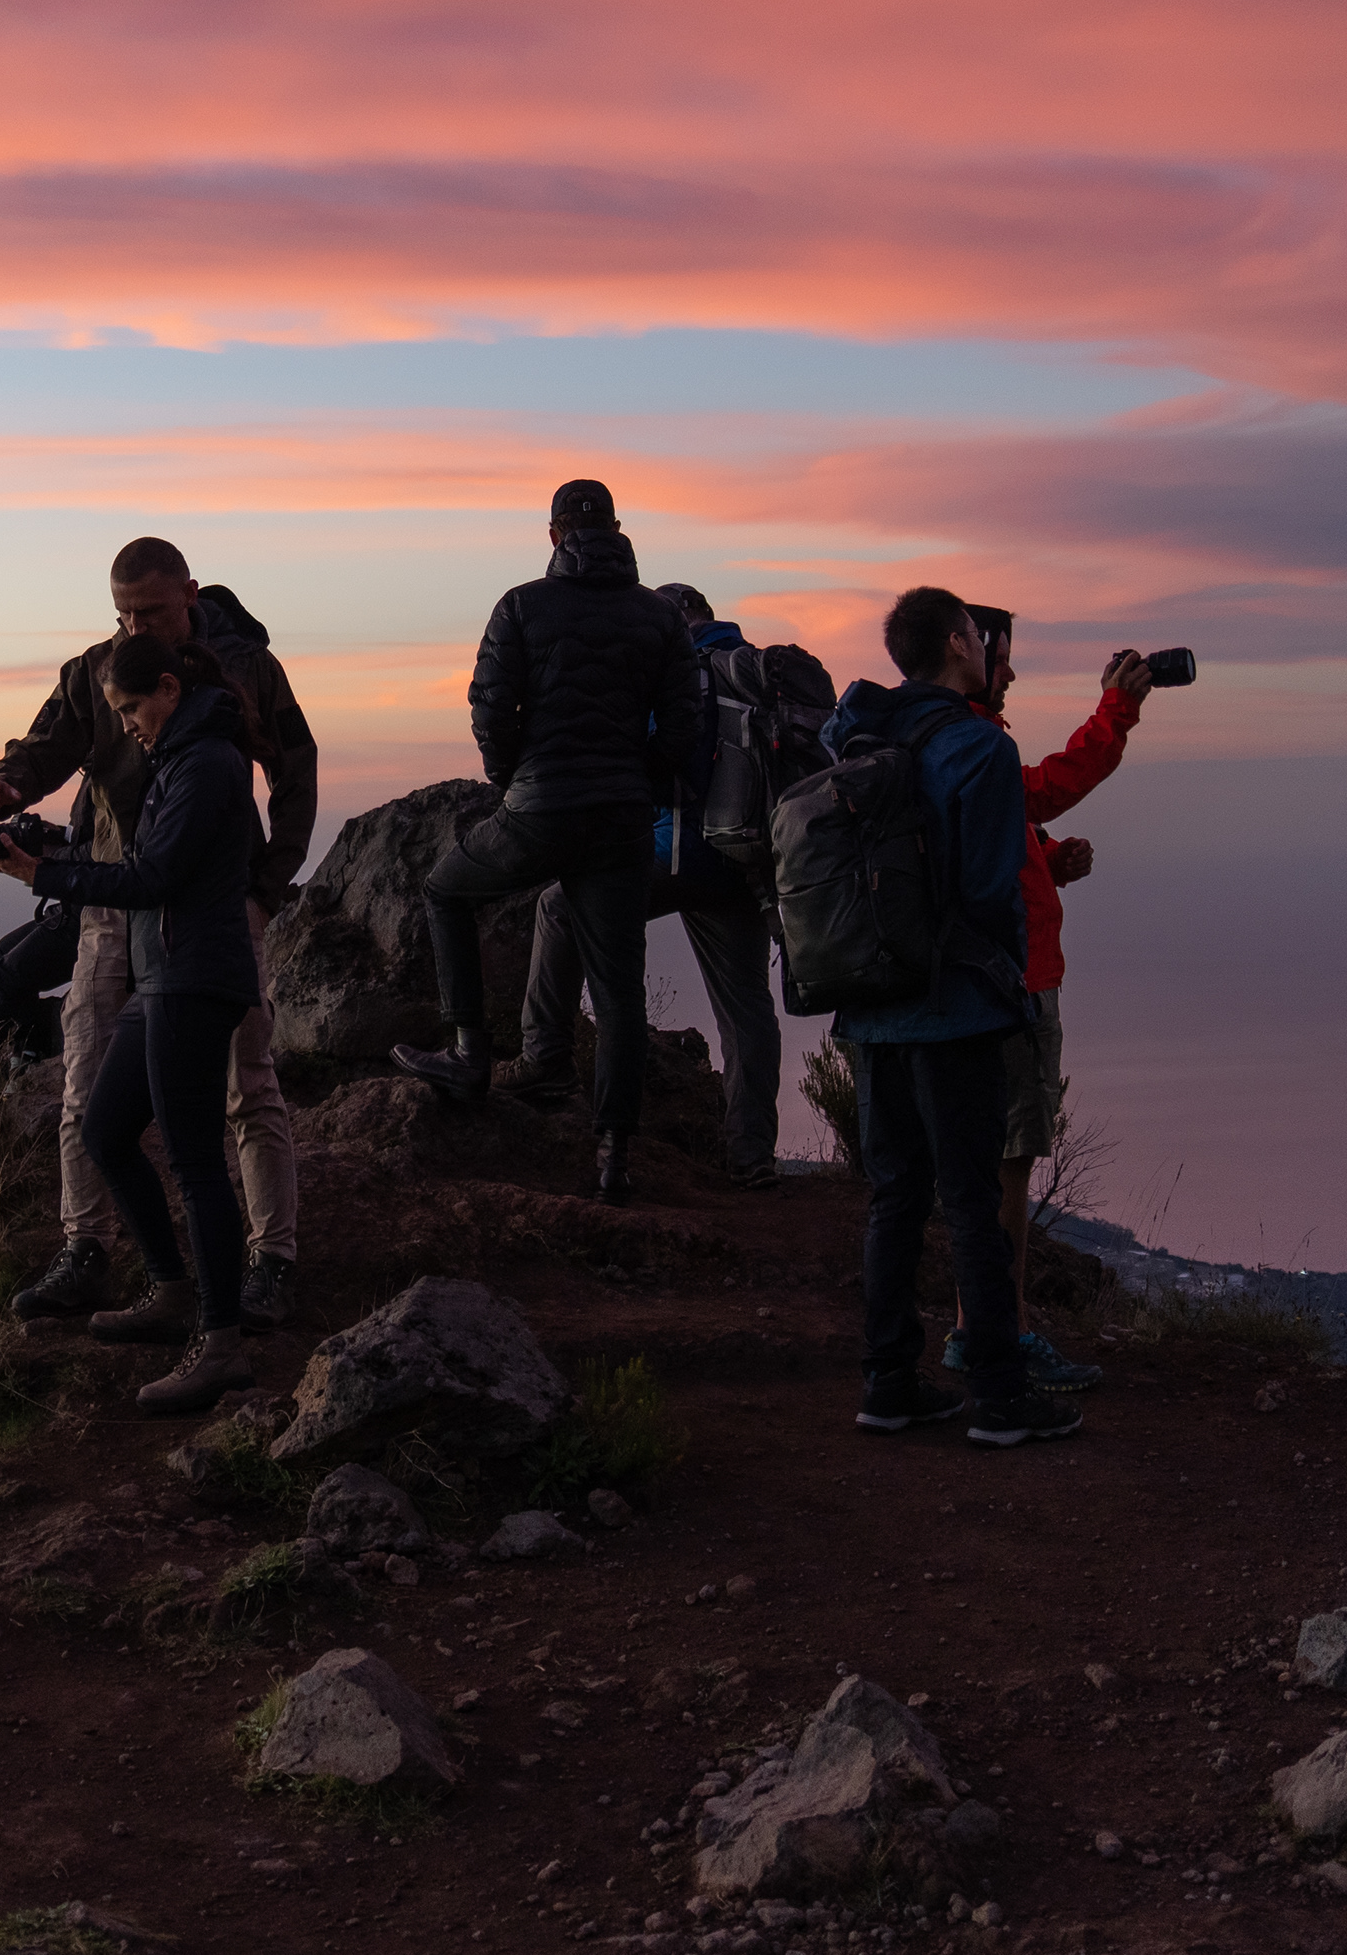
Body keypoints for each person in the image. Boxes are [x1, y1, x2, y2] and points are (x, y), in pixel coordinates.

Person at [0, 539, 318, 1329]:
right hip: (109, 906)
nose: (135, 627)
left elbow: (295, 774)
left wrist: (266, 889)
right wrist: (8, 783)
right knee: (86, 1079)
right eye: (123, 614)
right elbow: (47, 747)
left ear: (189, 595)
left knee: (247, 1082)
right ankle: (86, 1249)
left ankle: (272, 1259)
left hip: (211, 909)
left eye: (152, 612)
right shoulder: (96, 671)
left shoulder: (247, 669)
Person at [392, 478, 700, 1208]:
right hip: (621, 819)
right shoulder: (661, 616)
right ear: (617, 529)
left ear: (555, 534)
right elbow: (685, 726)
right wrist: (639, 785)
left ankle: (469, 1055)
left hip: (539, 807)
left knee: (444, 892)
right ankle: (613, 1154)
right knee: (619, 991)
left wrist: (513, 779)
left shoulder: (522, 605)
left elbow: (490, 705)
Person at [0, 633, 266, 1414]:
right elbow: (138, 863)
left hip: (192, 978)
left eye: (132, 709)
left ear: (170, 689)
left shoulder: (206, 761)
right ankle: (172, 1291)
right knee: (106, 1130)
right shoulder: (177, 757)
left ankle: (221, 1345)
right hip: (162, 975)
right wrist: (49, 850)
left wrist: (44, 875)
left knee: (196, 1162)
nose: (129, 725)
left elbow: (154, 876)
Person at [825, 587, 1079, 1447]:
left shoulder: (857, 734)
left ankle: (888, 1383)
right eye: (976, 632)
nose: (985, 644)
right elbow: (989, 888)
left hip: (870, 1004)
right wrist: (1007, 983)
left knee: (895, 1195)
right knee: (971, 1198)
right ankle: (1000, 1395)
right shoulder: (979, 746)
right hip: (953, 1009)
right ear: (958, 643)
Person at [946, 606, 1165, 1395]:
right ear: (964, 650)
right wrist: (1116, 710)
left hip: (969, 983)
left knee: (975, 1165)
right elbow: (1049, 786)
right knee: (1008, 1171)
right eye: (999, 655)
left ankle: (975, 1331)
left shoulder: (928, 741)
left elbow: (989, 840)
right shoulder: (976, 739)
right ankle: (998, 1337)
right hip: (1017, 983)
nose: (1008, 670)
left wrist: (1044, 860)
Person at [512, 584, 788, 1185]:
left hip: (672, 853)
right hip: (745, 866)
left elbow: (647, 758)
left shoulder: (673, 670)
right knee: (746, 1009)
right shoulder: (755, 675)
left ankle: (544, 1058)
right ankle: (752, 1156)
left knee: (558, 908)